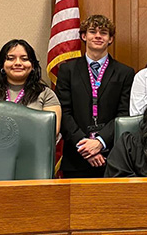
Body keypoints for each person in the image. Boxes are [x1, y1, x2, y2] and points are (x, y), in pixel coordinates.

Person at [56, 15, 135, 178]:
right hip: (76, 157)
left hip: (112, 156)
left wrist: (100, 142)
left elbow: (124, 114)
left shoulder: (125, 73)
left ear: (111, 39)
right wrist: (85, 147)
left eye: (104, 33)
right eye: (92, 32)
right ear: (84, 36)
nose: (98, 36)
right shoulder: (67, 71)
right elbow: (64, 112)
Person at [0, 39, 61, 134]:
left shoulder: (46, 94)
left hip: (29, 147)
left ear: (33, 66)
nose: (18, 63)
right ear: (2, 65)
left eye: (24, 59)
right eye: (11, 58)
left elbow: (50, 133)